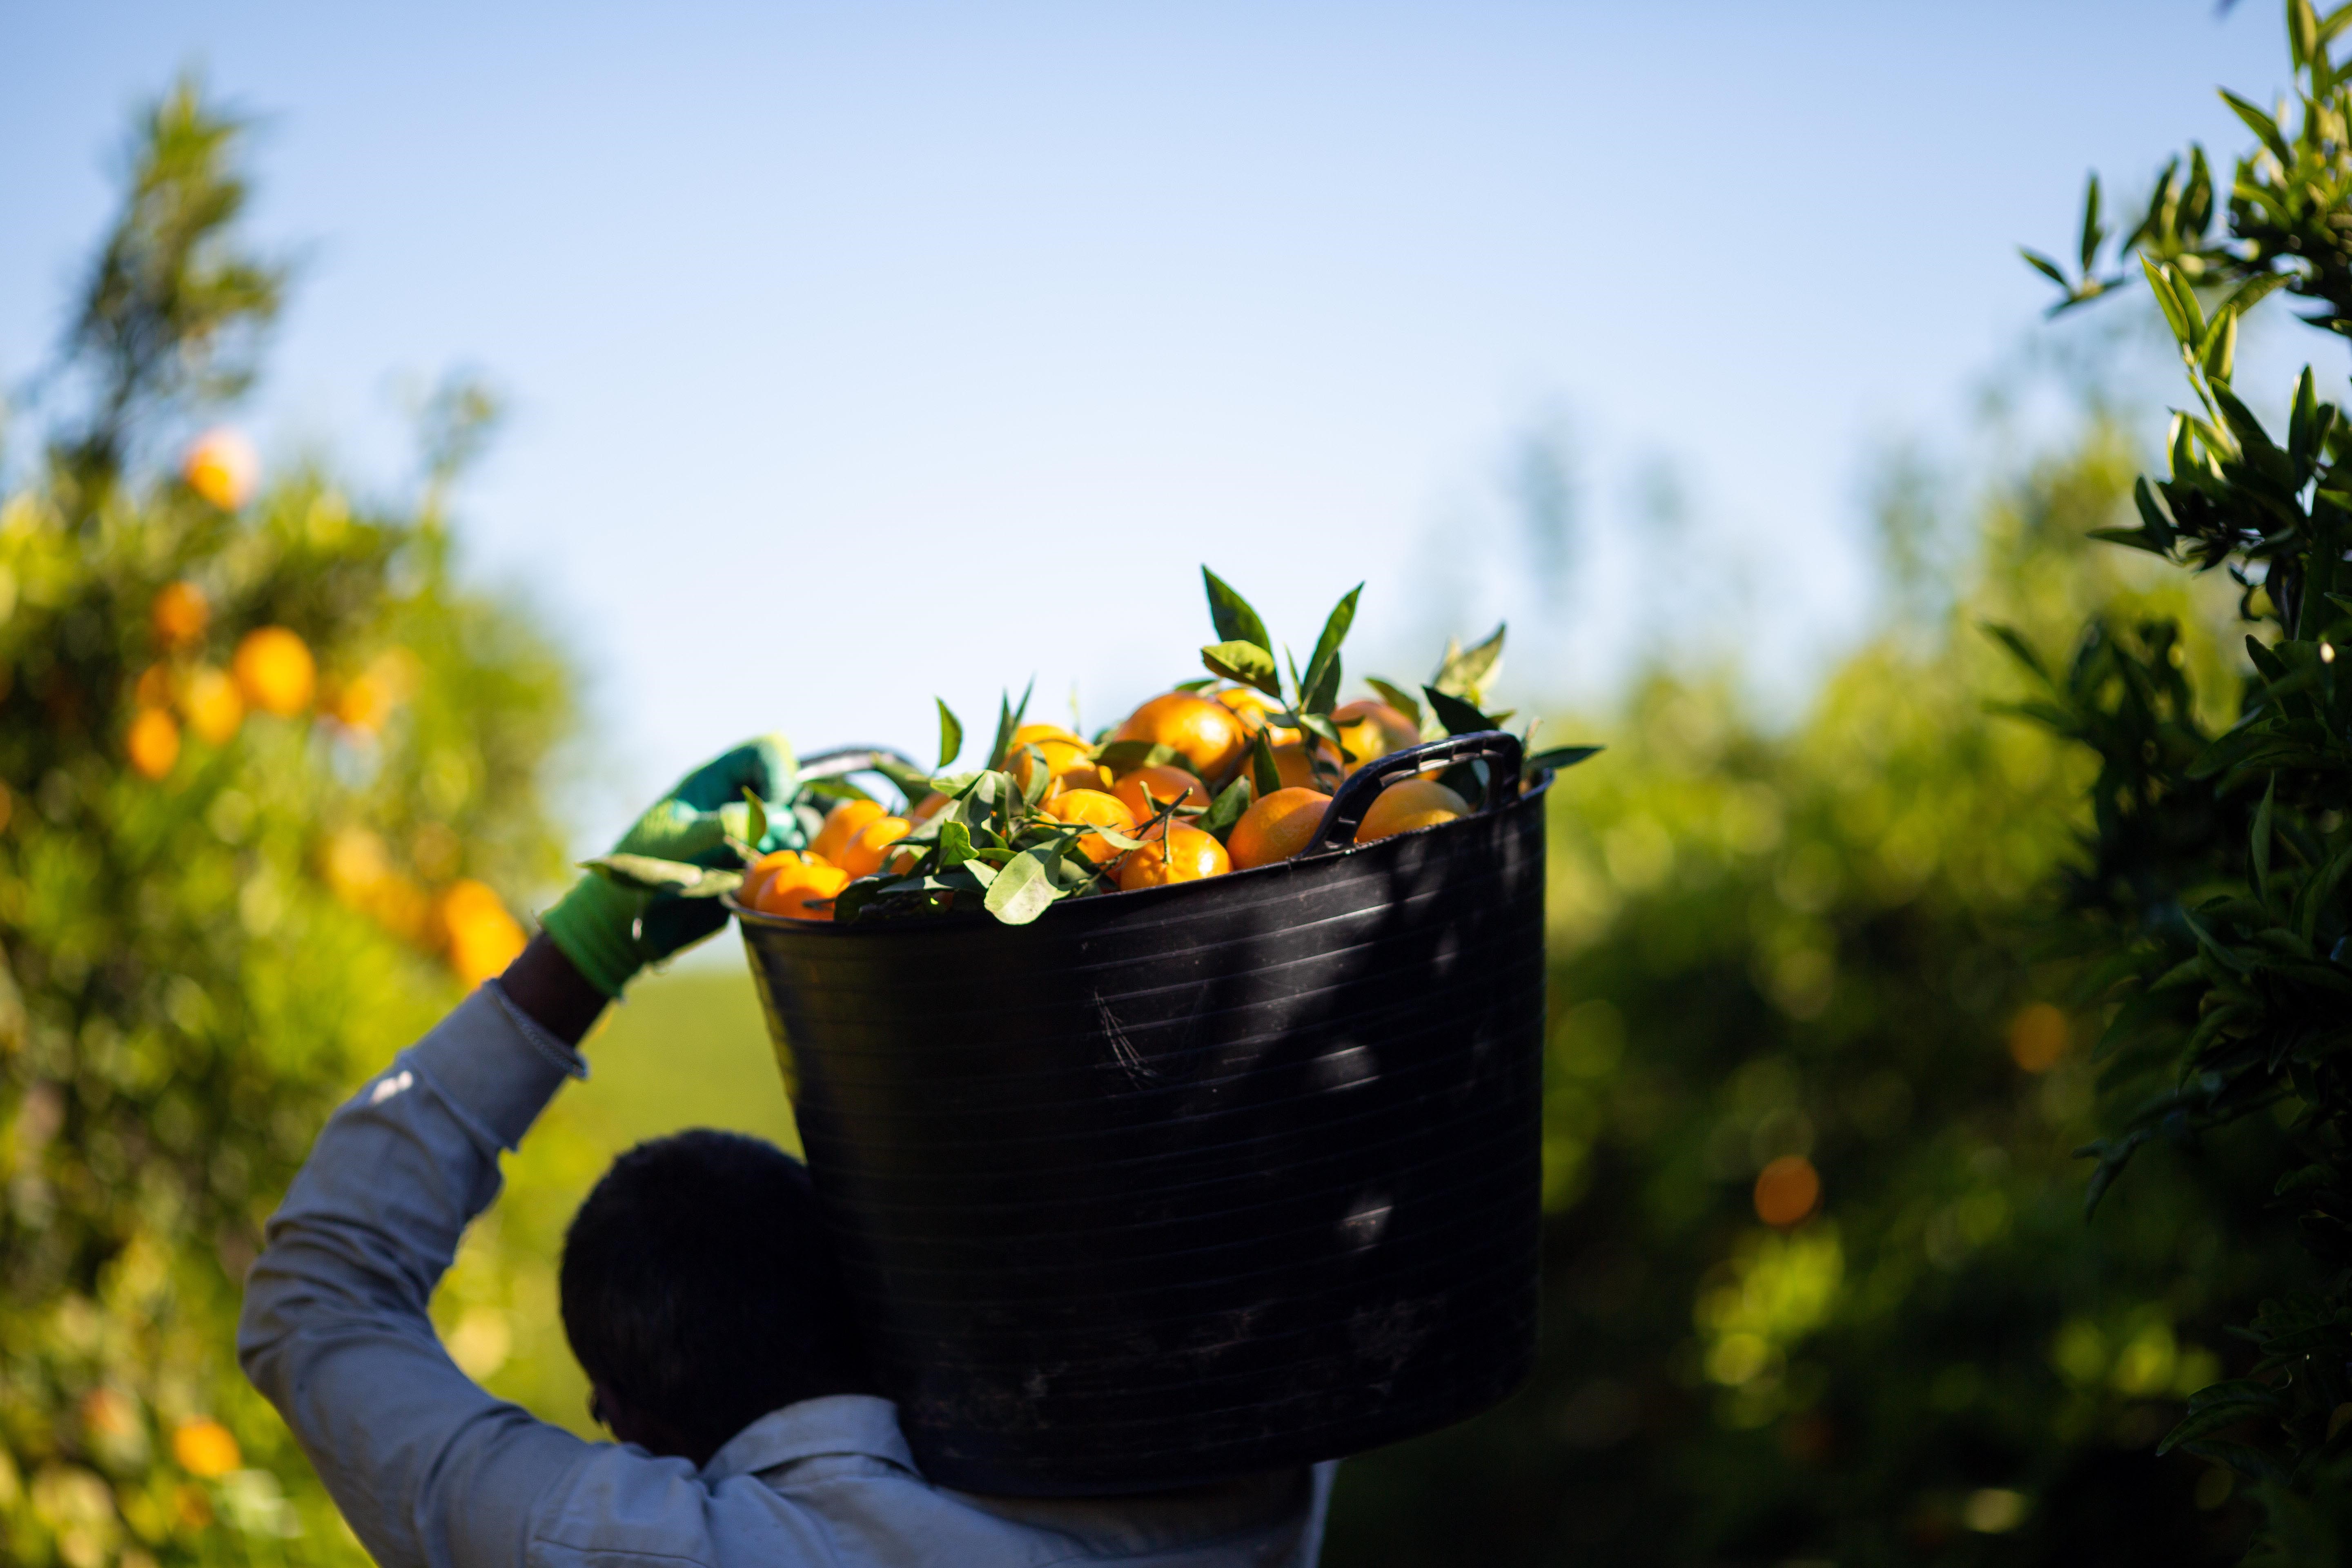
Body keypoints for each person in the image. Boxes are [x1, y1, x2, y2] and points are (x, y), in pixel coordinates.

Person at [237, 739, 1335, 1568]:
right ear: (876, 1297)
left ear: (632, 1424)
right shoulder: (1233, 1485)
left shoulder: (649, 1548)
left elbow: (315, 1303)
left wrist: (591, 943)